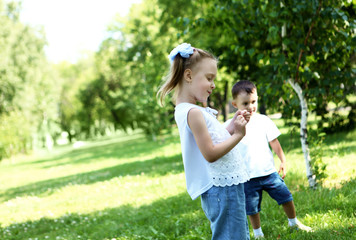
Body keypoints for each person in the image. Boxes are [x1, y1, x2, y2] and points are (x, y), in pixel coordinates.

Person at [157, 43, 251, 240]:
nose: (213, 84)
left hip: (225, 183)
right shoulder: (193, 113)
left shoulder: (192, 111)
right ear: (189, 76)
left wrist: (232, 126)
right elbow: (210, 153)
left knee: (237, 235)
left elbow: (214, 139)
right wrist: (238, 135)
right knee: (231, 236)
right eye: (209, 78)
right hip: (221, 188)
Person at [227, 80, 313, 239]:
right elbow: (225, 145)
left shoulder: (263, 120)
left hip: (268, 172)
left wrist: (283, 160)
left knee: (286, 196)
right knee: (252, 208)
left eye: (253, 101)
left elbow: (274, 141)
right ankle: (258, 233)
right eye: (245, 103)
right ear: (234, 104)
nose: (250, 106)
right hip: (247, 176)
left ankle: (293, 222)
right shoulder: (231, 125)